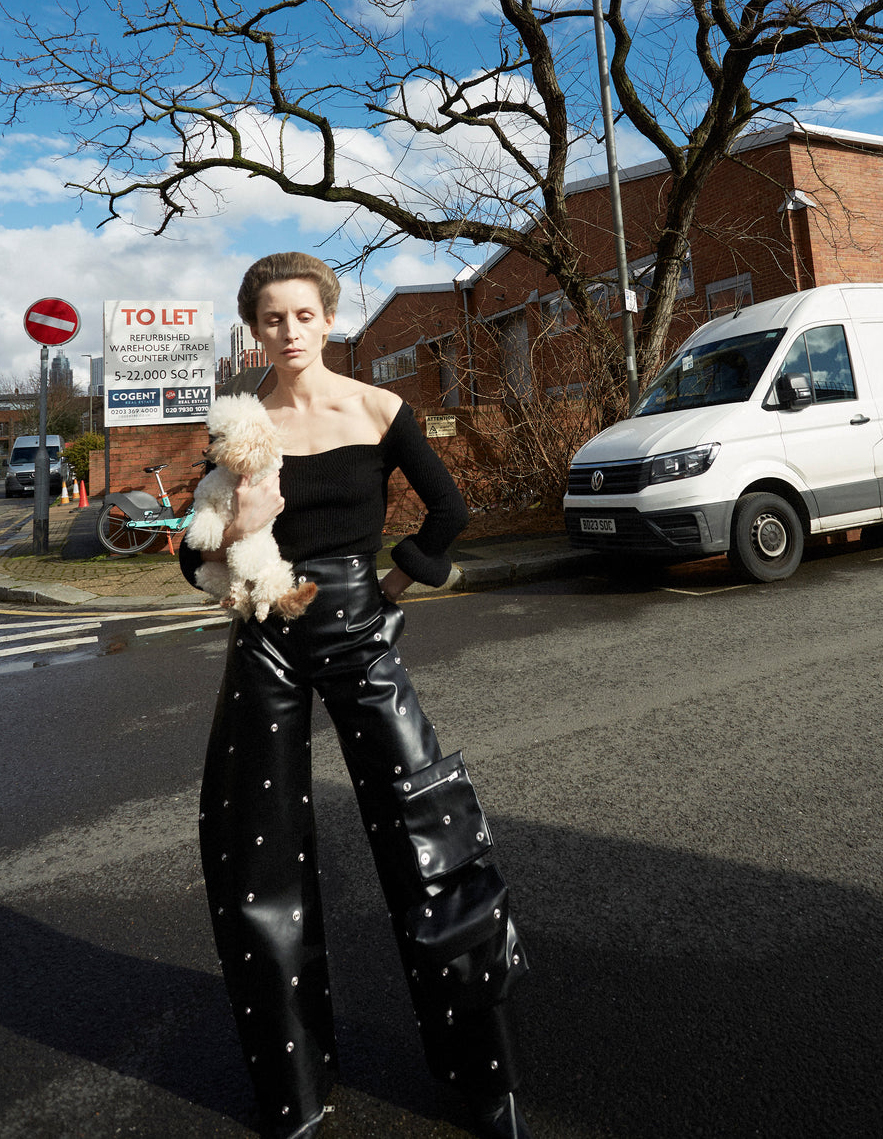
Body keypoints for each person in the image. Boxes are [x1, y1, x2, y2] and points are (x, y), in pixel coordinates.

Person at [180, 252, 530, 1139]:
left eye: (303, 315)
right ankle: (295, 1088)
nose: (288, 332)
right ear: (254, 328)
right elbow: (194, 549)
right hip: (264, 636)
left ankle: (482, 1078)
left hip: (359, 630)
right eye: (271, 319)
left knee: (432, 841)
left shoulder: (378, 408)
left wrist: (390, 596)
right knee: (255, 857)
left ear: (328, 317)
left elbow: (449, 514)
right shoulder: (239, 423)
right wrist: (232, 555)